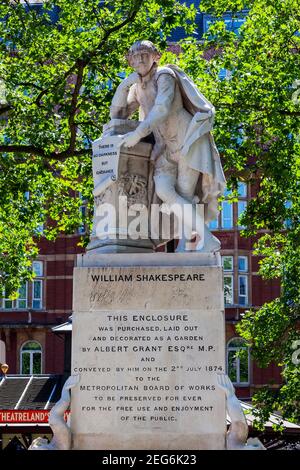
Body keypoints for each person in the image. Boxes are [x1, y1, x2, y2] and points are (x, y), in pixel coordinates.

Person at [109, 40, 226, 251]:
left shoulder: (165, 75)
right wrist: (125, 84)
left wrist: (138, 134)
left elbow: (162, 108)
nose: (140, 59)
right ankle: (206, 239)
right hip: (164, 147)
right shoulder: (137, 87)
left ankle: (189, 246)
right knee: (164, 189)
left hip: (185, 140)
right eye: (134, 56)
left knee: (184, 192)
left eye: (144, 54)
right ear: (130, 61)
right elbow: (118, 115)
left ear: (156, 56)